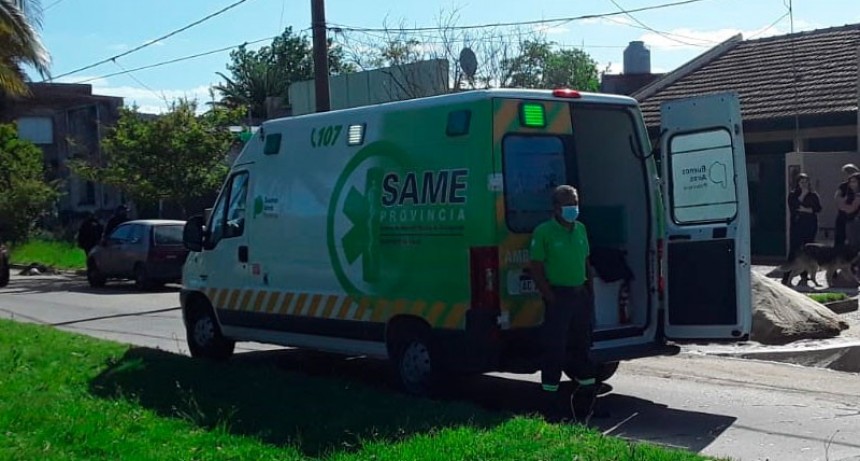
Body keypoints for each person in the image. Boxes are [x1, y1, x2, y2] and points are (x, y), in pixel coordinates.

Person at [529, 185, 598, 423]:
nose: (573, 208)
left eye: (575, 203)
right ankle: (551, 407)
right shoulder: (544, 232)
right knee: (555, 350)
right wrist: (549, 296)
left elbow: (586, 262)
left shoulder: (581, 229)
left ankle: (586, 405)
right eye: (568, 204)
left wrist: (590, 291)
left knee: (582, 348)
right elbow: (536, 267)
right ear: (556, 208)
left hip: (580, 296)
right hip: (559, 297)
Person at [782, 174, 822, 286]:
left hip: (810, 226)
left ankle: (804, 277)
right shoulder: (793, 194)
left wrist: (807, 209)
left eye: (806, 181)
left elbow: (818, 208)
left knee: (808, 251)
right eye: (801, 182)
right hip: (797, 226)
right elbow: (795, 207)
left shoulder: (813, 195)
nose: (804, 184)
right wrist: (803, 195)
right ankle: (786, 277)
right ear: (798, 183)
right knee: (795, 251)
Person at [833, 164, 860, 248]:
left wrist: (844, 204)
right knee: (839, 238)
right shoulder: (843, 186)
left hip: (855, 217)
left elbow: (852, 207)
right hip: (844, 216)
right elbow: (837, 198)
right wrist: (843, 203)